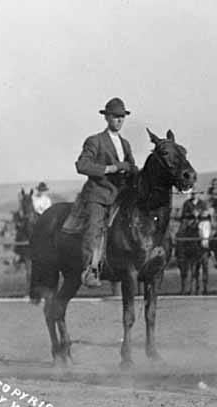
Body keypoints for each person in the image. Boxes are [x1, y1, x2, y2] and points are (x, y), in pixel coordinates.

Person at [74, 97, 137, 288]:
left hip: (121, 195)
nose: (119, 120)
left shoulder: (125, 144)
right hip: (99, 194)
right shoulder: (95, 141)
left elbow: (132, 167)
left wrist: (132, 169)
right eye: (115, 116)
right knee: (94, 228)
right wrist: (109, 169)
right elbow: (82, 165)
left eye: (122, 117)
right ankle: (89, 270)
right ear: (107, 117)